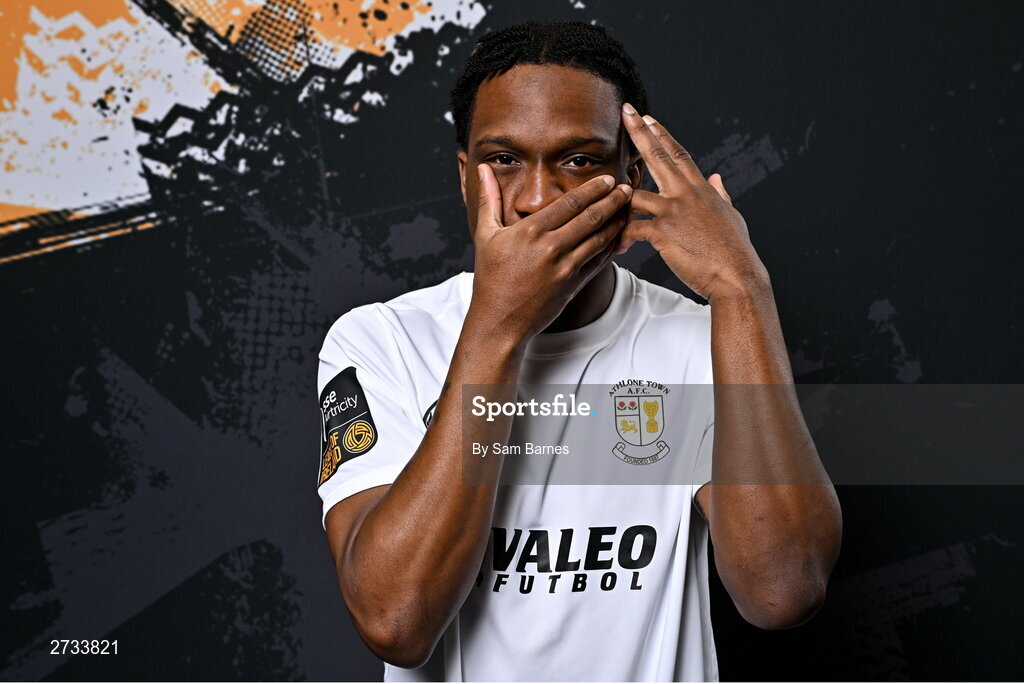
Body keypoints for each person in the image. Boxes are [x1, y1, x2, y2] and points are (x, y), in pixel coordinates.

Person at [316, 20, 842, 682]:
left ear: (632, 175)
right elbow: (395, 620)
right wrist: (500, 328)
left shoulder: (697, 342)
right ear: (463, 177)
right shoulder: (384, 340)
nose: (538, 199)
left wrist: (743, 291)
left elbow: (782, 590)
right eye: (503, 160)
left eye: (579, 160)